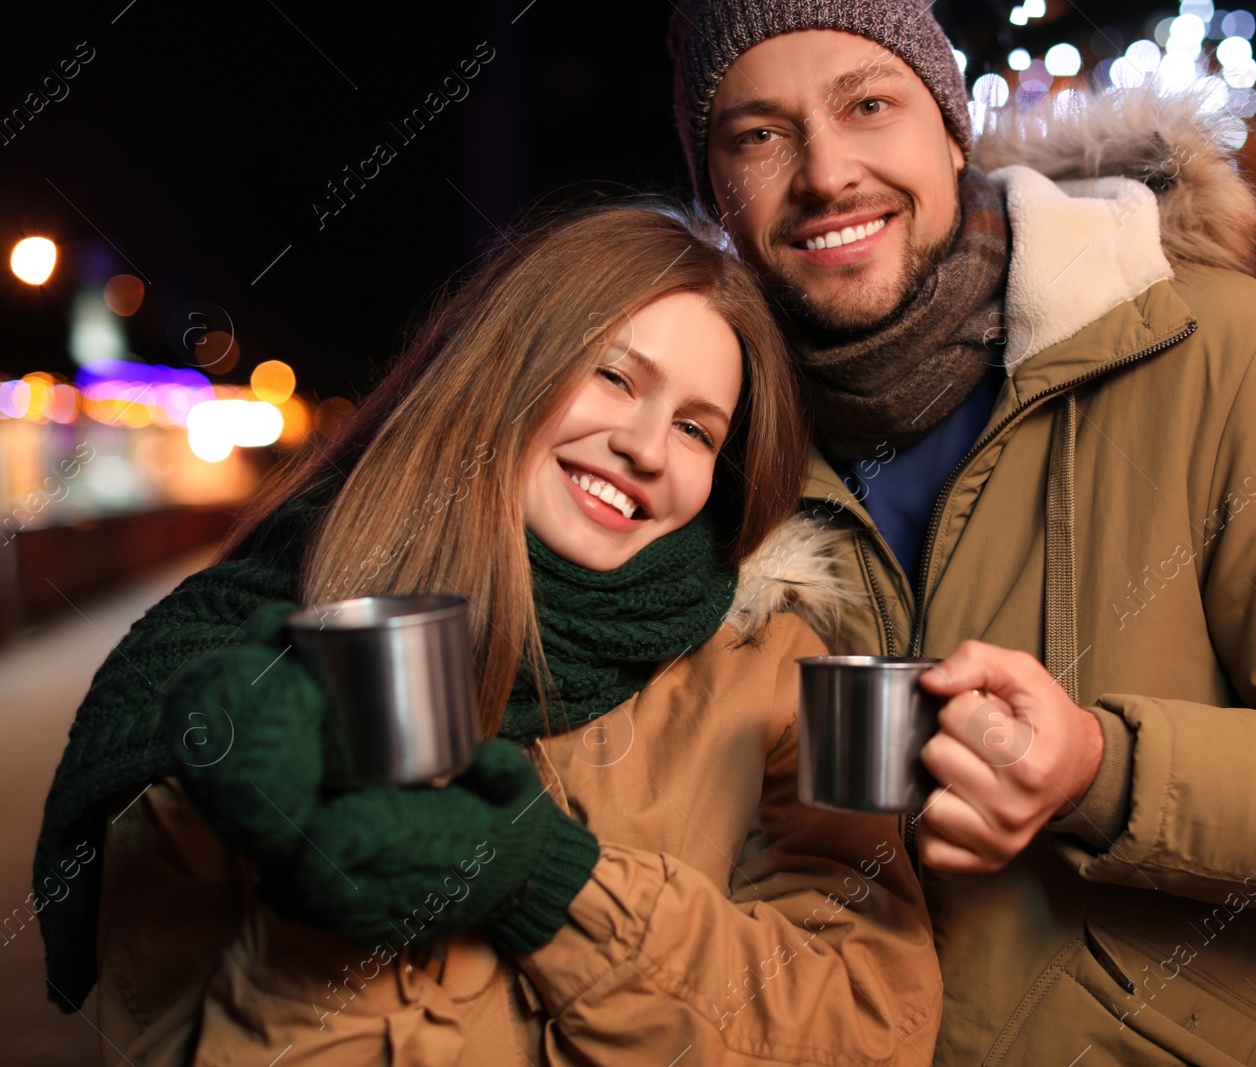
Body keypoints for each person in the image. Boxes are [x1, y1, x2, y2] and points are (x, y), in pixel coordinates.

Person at [667, 3, 1256, 1064]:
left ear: (949, 125)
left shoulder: (1225, 357)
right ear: (714, 189)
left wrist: (1100, 770)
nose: (827, 173)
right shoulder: (696, 436)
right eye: (759, 135)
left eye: (868, 104)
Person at [33, 201, 942, 1065]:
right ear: (504, 368)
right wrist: (318, 892)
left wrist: (553, 882)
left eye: (697, 429)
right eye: (615, 375)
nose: (647, 447)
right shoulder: (240, 672)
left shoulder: (781, 666)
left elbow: (870, 1018)